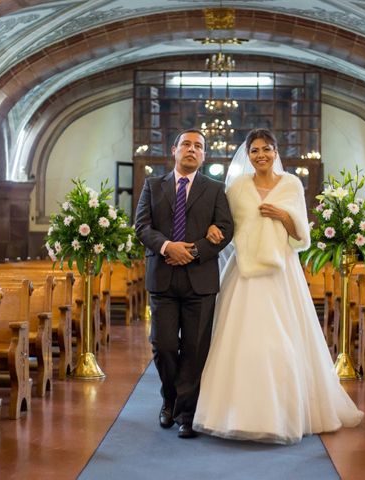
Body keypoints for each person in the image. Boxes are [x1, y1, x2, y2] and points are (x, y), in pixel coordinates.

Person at [193, 128, 363, 444]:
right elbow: (227, 225)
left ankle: (285, 412)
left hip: (280, 271)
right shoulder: (238, 188)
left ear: (275, 152)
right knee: (240, 340)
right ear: (248, 154)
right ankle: (233, 412)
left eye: (266, 149)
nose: (261, 155)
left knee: (283, 339)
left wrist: (282, 215)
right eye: (255, 150)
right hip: (244, 272)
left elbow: (302, 238)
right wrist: (214, 229)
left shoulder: (291, 185)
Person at [134, 129, 234, 439]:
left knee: (194, 348)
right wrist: (167, 247)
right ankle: (169, 398)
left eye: (199, 147)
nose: (192, 150)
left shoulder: (216, 190)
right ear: (174, 149)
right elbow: (141, 226)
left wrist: (191, 251)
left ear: (204, 155)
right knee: (163, 345)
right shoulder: (153, 186)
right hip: (162, 277)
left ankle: (186, 413)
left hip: (200, 280)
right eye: (186, 144)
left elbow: (226, 229)